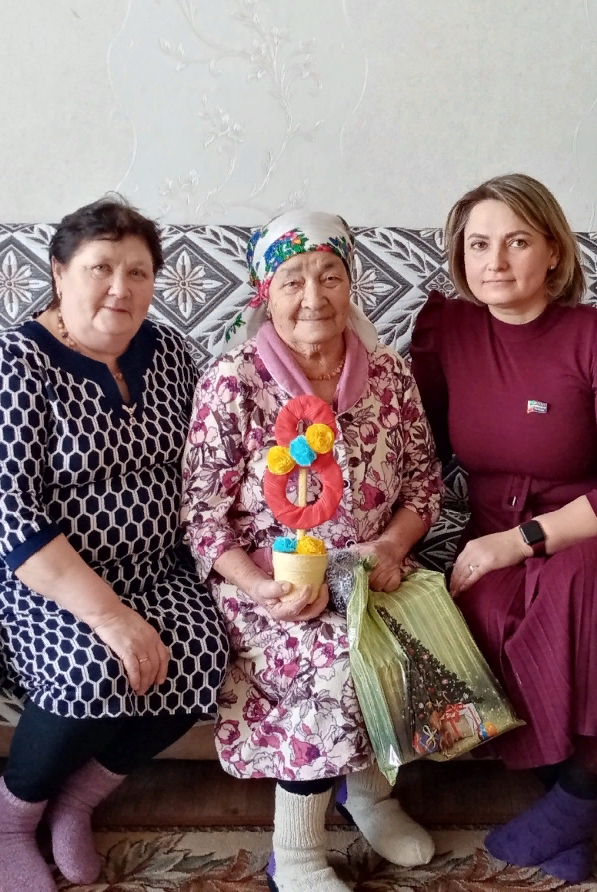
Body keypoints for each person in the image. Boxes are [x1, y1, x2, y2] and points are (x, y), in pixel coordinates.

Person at [409, 174, 597, 882]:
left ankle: (588, 794)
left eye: (517, 242)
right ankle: (565, 797)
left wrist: (520, 541)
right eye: (478, 244)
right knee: (485, 607)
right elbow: (410, 445)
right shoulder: (448, 332)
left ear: (554, 251)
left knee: (581, 583)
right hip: (493, 537)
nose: (494, 261)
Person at [0, 197, 229, 892]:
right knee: (94, 667)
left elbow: (205, 466)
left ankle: (77, 800)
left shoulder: (169, 354)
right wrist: (110, 616)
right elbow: (8, 517)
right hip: (38, 574)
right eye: (100, 268)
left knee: (206, 650)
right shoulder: (9, 367)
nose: (120, 288)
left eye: (138, 272)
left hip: (150, 567)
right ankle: (8, 821)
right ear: (58, 272)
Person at [182, 211, 443, 892]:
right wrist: (258, 585)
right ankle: (295, 854)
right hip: (267, 580)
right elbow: (202, 515)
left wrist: (391, 547)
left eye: (330, 275)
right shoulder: (234, 379)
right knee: (331, 659)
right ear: (264, 292)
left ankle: (371, 798)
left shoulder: (388, 373)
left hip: (373, 568)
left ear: (352, 284)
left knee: (408, 635)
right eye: (292, 279)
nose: (313, 296)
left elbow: (424, 484)